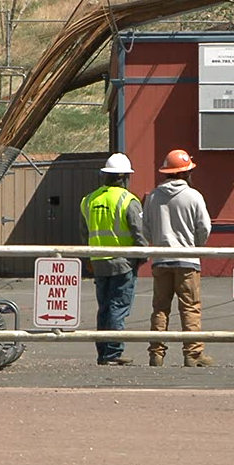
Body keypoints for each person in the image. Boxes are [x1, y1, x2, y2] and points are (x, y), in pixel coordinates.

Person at [143, 148, 215, 367]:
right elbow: (204, 227)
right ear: (185, 173)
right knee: (190, 307)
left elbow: (146, 229)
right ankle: (193, 354)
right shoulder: (193, 196)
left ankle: (156, 353)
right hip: (187, 260)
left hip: (161, 259)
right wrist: (195, 245)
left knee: (160, 308)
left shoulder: (153, 196)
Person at [79, 152, 149, 366]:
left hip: (98, 262)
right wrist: (142, 255)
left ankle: (103, 352)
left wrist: (89, 256)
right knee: (118, 306)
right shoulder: (128, 200)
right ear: (124, 177)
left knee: (104, 308)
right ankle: (113, 352)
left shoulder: (89, 200)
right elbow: (140, 233)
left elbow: (85, 233)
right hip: (123, 263)